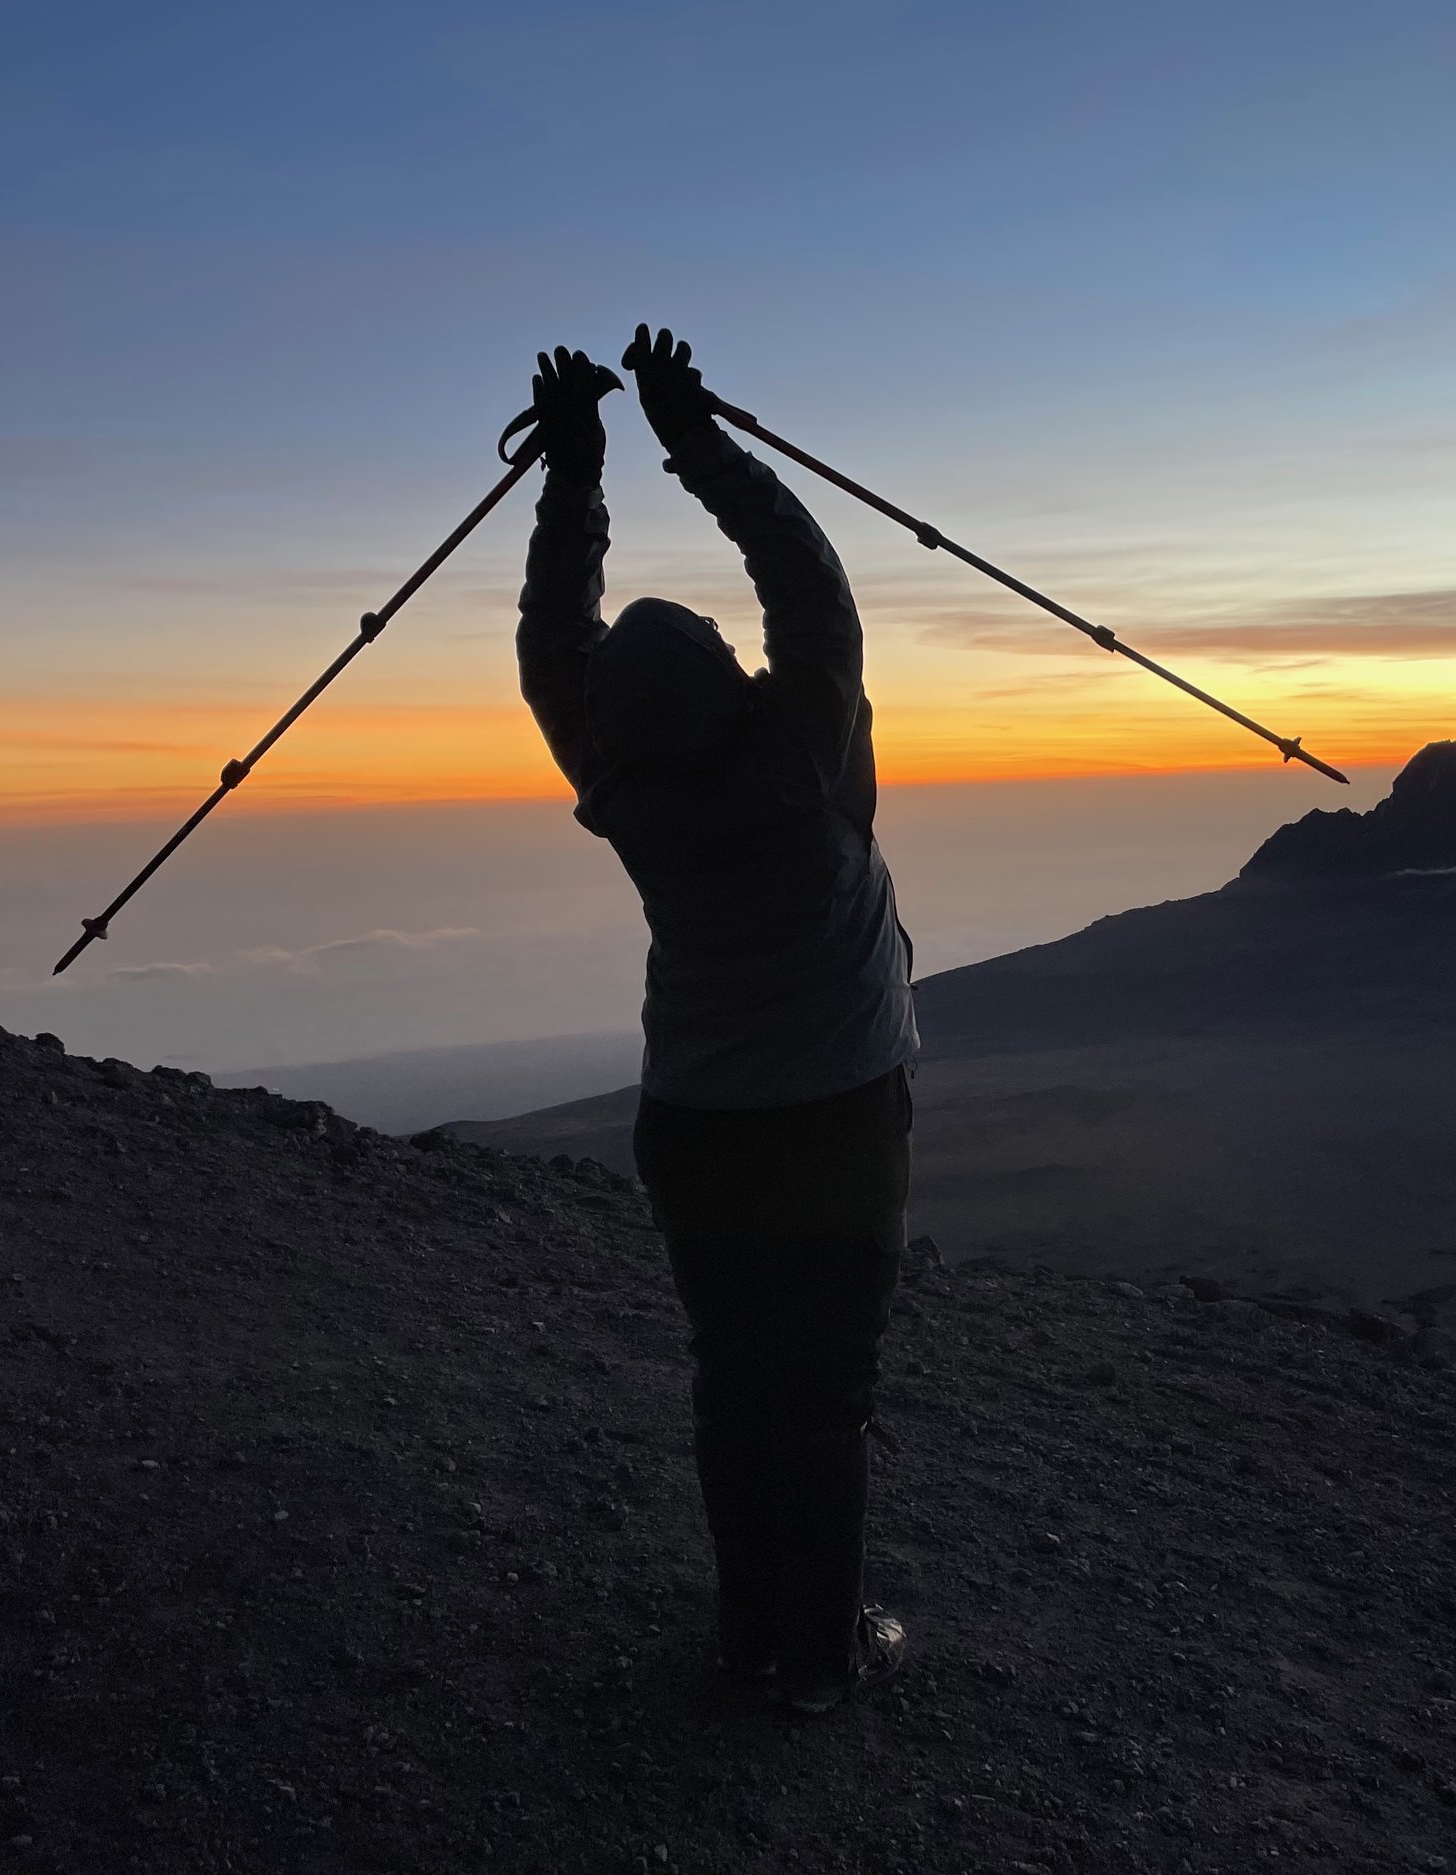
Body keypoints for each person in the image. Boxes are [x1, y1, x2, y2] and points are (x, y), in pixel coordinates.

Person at [515, 327, 918, 1715]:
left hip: (695, 1126)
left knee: (734, 1382)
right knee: (825, 1391)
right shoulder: (801, 754)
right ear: (738, 693)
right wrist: (690, 436)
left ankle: (754, 1638)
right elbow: (807, 580)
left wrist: (576, 467)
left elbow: (554, 637)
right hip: (838, 1113)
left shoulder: (612, 774)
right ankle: (820, 1656)